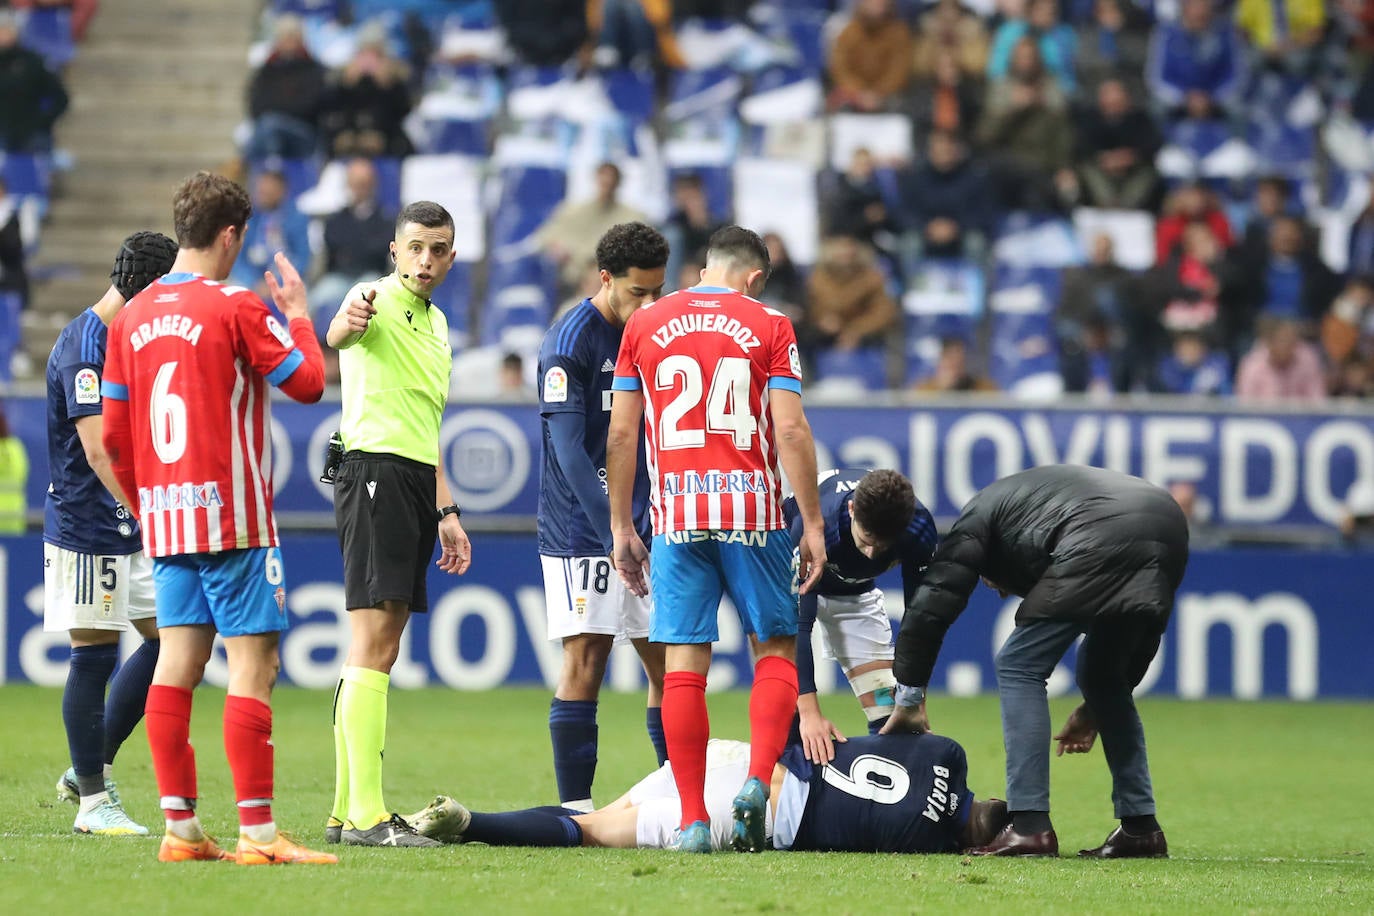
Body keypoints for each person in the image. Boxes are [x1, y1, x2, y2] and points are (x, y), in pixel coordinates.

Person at [101, 171, 335, 865]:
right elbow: (308, 383)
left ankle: (181, 830)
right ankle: (260, 837)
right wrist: (296, 312)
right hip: (232, 519)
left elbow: (115, 436)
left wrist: (148, 505)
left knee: (176, 664)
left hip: (168, 521)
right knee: (252, 668)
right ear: (230, 235)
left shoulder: (133, 316)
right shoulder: (236, 305)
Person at [606, 225, 827, 853]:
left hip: (676, 516)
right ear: (754, 278)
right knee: (775, 650)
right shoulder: (772, 326)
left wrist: (624, 526)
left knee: (683, 669)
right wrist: (811, 522)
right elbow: (790, 430)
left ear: (706, 267)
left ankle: (694, 819)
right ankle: (758, 781)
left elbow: (621, 437)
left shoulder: (644, 324)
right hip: (753, 513)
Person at [884, 465, 1189, 859]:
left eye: (991, 582)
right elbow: (1142, 639)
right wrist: (1093, 708)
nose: (996, 591)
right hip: (1167, 526)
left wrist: (908, 696)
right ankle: (1141, 829)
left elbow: (932, 606)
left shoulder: (977, 518)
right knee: (1104, 677)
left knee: (1018, 664)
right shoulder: (1025, 512)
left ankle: (1029, 826)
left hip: (1100, 531)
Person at [325, 200, 472, 848]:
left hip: (413, 476)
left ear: (452, 255)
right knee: (374, 644)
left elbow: (427, 429)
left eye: (438, 249)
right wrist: (342, 321)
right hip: (375, 470)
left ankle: (342, 812)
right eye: (415, 247)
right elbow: (339, 332)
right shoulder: (371, 301)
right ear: (394, 249)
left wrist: (447, 510)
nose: (425, 260)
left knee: (377, 646)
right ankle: (366, 817)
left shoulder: (439, 326)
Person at [45, 231, 177, 837]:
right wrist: (149, 515)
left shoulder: (126, 339)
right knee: (93, 655)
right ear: (150, 287)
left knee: (171, 641)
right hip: (89, 523)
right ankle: (94, 803)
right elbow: (98, 452)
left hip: (127, 520)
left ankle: (88, 768)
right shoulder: (85, 345)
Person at [536, 222, 670, 812]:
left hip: (649, 524)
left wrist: (640, 524)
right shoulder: (570, 342)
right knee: (585, 658)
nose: (649, 304)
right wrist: (616, 528)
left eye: (657, 292)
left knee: (668, 658)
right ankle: (576, 810)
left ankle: (677, 794)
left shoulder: (659, 333)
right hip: (581, 527)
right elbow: (568, 451)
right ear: (606, 278)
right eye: (637, 293)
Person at [404, 732, 1009, 854]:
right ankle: (471, 823)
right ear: (976, 845)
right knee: (594, 832)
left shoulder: (948, 753)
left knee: (600, 811)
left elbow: (893, 729)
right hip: (760, 815)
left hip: (743, 759)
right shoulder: (926, 840)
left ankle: (444, 820)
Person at [784, 469, 938, 765]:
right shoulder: (815, 523)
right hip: (792, 588)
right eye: (866, 539)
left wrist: (914, 698)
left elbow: (920, 622)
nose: (871, 553)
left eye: (882, 546)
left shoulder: (918, 528)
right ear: (852, 509)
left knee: (893, 718)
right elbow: (796, 627)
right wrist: (809, 711)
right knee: (790, 716)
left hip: (855, 596)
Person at [535, 163, 649, 299]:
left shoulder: (633, 216)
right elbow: (544, 237)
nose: (607, 183)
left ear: (618, 183)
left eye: (611, 179)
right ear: (596, 180)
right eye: (603, 179)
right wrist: (555, 247)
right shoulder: (573, 212)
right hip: (575, 279)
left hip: (617, 279)